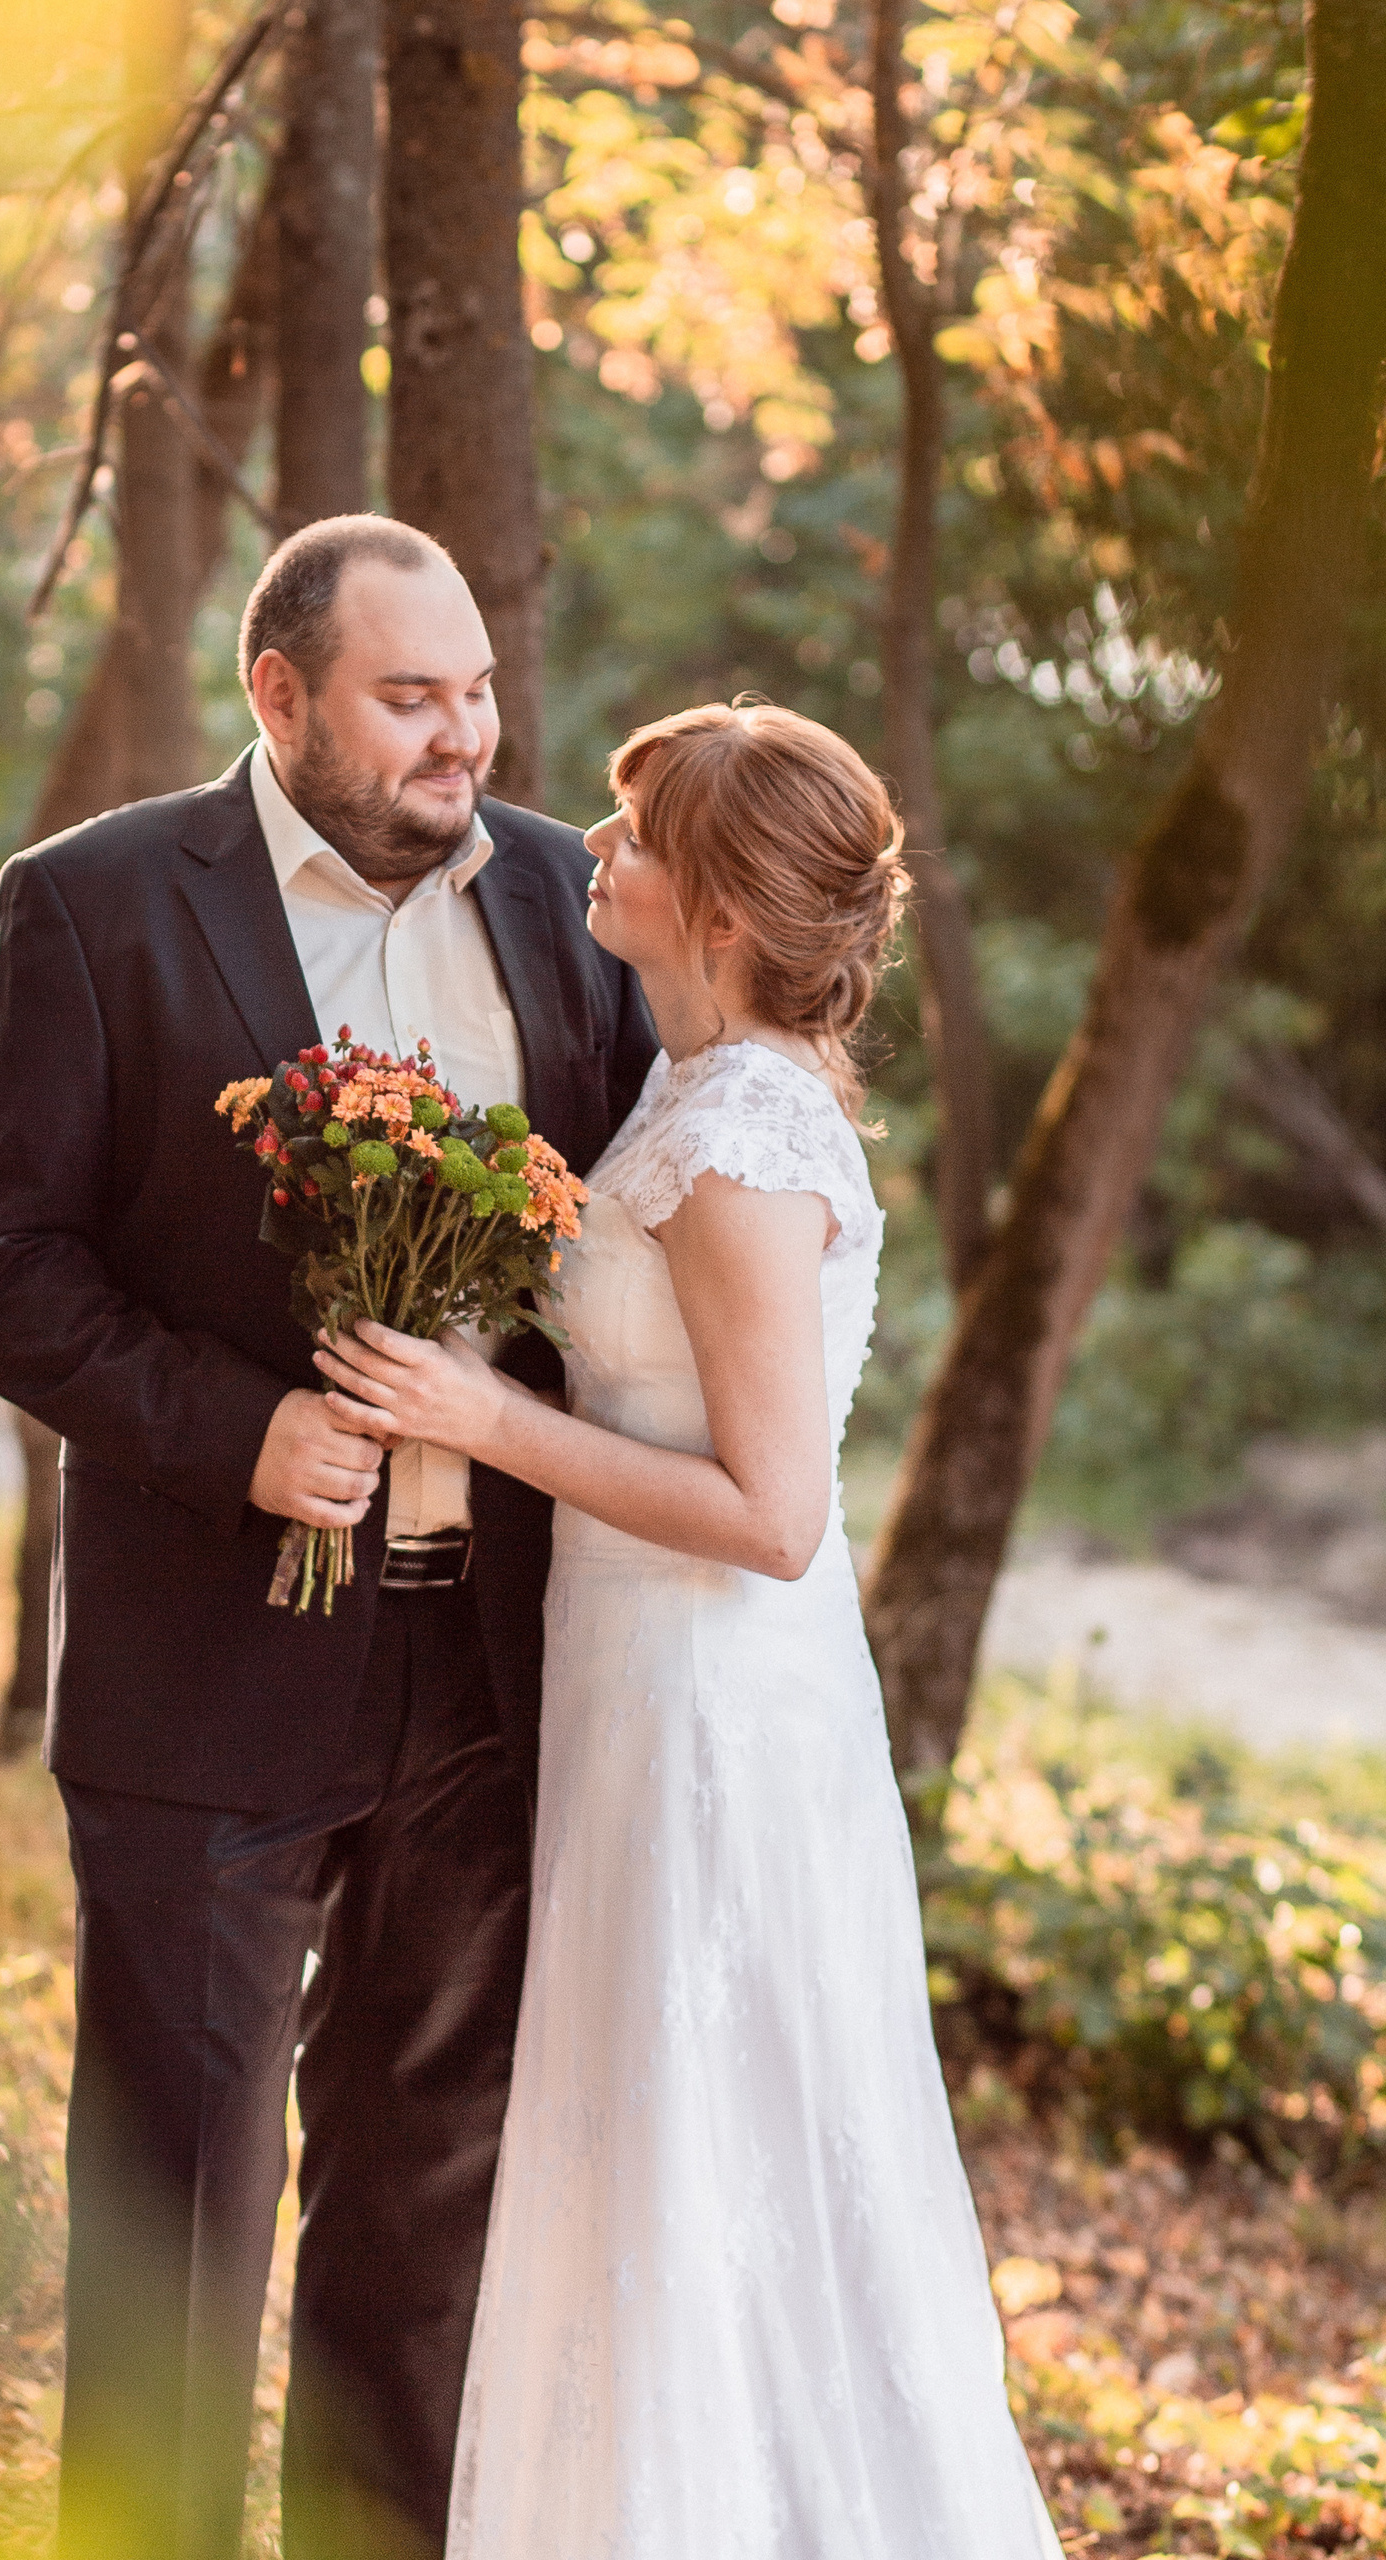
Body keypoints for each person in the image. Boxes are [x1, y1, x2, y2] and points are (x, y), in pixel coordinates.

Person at [0, 516, 657, 2560]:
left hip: (487, 1680)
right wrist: (232, 1431)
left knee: (417, 2248)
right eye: (406, 698)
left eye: (475, 693)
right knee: (169, 2238)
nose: (459, 738)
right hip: (200, 1672)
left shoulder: (569, 906)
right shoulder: (90, 908)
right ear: (277, 695)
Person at [315, 701, 1065, 2558]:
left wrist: (488, 1423)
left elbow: (777, 1517)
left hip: (714, 1699)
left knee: (702, 2127)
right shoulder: (689, 1082)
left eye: (637, 834)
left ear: (721, 909)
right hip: (637, 1681)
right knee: (653, 2124)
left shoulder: (741, 1140)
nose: (599, 849)